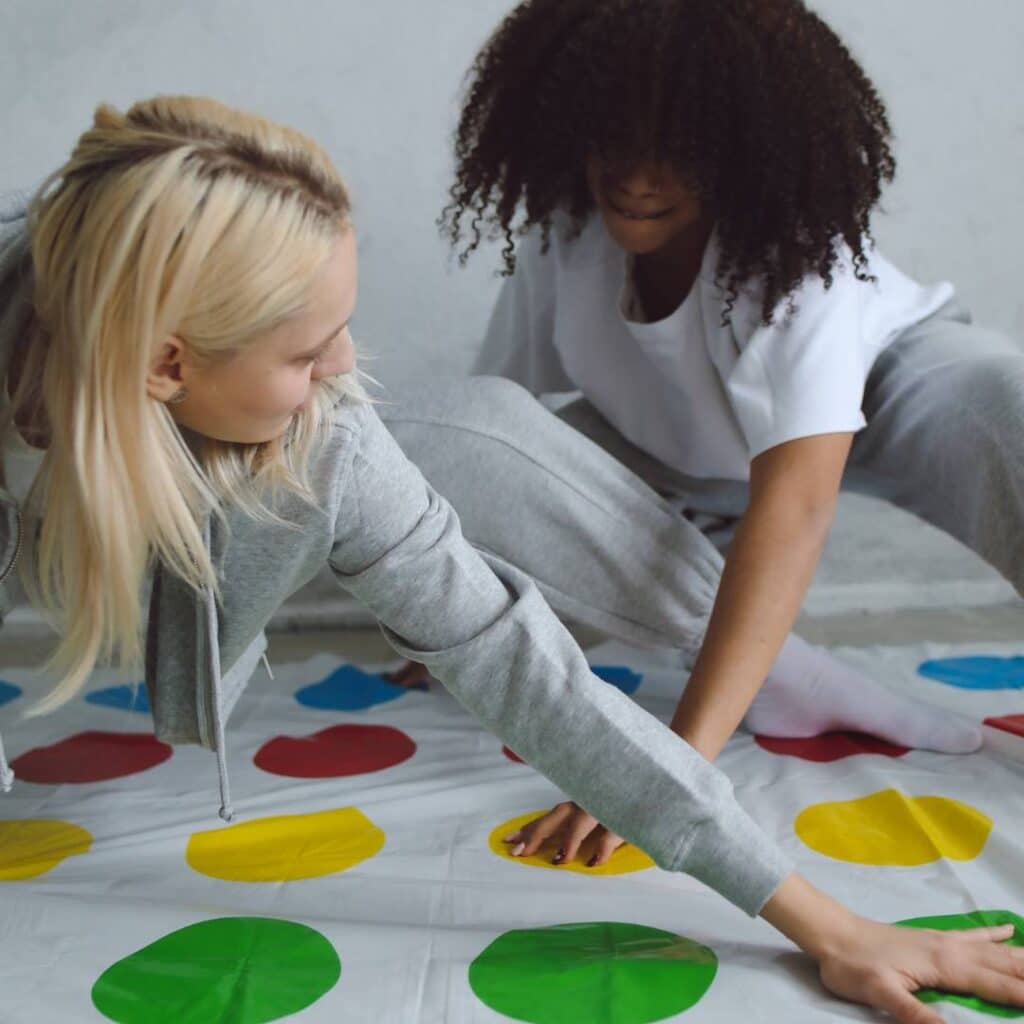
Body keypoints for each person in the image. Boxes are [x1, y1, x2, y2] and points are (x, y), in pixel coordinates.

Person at [0, 96, 1021, 1024]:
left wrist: (829, 928)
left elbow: (535, 681)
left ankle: (789, 675)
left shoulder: (332, 439)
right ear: (166, 362)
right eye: (309, 356)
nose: (347, 371)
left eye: (341, 330)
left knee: (452, 432)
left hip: (178, 544)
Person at [384, 0, 1024, 872]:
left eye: (679, 146)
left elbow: (794, 507)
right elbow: (496, 430)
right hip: (666, 458)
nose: (640, 175)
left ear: (740, 144)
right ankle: (787, 673)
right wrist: (444, 606)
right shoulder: (564, 232)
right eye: (616, 136)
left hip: (884, 398)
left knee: (1005, 395)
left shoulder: (797, 254)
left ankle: (749, 655)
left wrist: (668, 766)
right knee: (447, 443)